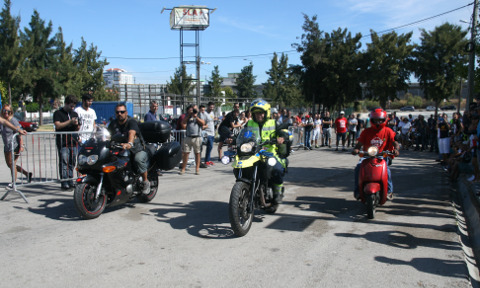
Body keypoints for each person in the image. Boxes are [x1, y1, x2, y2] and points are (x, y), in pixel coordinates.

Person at [352, 108, 400, 200]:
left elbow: (395, 142)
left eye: (380, 120)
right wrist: (356, 149)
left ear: (384, 120)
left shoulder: (388, 131)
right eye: (376, 120)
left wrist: (396, 149)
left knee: (387, 170)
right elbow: (359, 144)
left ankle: (389, 191)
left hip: (382, 156)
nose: (378, 122)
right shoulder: (366, 132)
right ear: (372, 120)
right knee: (358, 168)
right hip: (367, 156)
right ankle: (358, 190)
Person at [247, 99, 288, 204]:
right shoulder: (250, 123)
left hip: (269, 154)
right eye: (256, 113)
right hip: (253, 153)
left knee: (277, 169)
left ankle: (277, 193)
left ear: (266, 113)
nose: (258, 115)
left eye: (260, 112)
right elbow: (241, 134)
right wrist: (232, 138)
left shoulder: (273, 122)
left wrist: (282, 137)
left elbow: (282, 132)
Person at [107, 103, 150, 194]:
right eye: (117, 112)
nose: (120, 114)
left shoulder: (131, 122)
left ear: (126, 112)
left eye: (122, 112)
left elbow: (132, 133)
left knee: (138, 159)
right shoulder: (113, 123)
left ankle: (146, 182)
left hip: (136, 148)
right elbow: (107, 134)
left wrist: (129, 143)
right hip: (119, 148)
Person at [53, 95, 80, 190]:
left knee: (72, 161)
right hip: (63, 142)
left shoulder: (75, 114)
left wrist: (77, 125)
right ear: (66, 104)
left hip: (72, 142)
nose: (72, 108)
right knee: (64, 161)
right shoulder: (58, 113)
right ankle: (64, 181)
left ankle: (70, 179)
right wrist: (70, 122)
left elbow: (77, 128)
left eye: (73, 106)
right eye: (71, 106)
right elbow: (58, 125)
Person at [1, 104, 31, 188]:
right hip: (6, 145)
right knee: (10, 164)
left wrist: (21, 145)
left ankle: (13, 183)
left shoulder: (13, 120)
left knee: (12, 164)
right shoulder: (2, 120)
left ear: (11, 112)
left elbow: (19, 133)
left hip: (15, 145)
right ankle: (27, 174)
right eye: (4, 111)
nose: (6, 112)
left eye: (8, 111)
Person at [179, 104, 205, 175]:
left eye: (195, 109)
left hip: (197, 137)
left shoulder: (199, 115)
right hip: (188, 136)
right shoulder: (187, 116)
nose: (194, 110)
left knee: (197, 153)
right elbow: (183, 123)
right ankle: (183, 169)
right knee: (186, 153)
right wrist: (189, 115)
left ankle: (197, 169)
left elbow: (203, 123)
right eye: (192, 109)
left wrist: (196, 117)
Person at [201, 102, 216, 166]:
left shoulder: (212, 113)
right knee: (210, 146)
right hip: (207, 132)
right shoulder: (204, 113)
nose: (211, 108)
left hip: (212, 132)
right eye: (210, 107)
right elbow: (203, 122)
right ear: (208, 106)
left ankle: (208, 160)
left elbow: (212, 121)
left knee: (210, 147)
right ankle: (206, 160)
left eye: (212, 107)